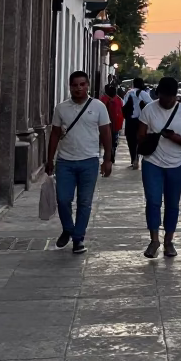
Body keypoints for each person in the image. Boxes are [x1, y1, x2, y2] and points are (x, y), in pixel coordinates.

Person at [45, 71, 113, 254]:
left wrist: (107, 159)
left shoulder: (98, 107)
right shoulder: (61, 108)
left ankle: (78, 238)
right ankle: (68, 227)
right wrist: (49, 158)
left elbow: (106, 133)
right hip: (65, 162)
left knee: (84, 202)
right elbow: (55, 135)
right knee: (63, 199)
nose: (78, 88)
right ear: (70, 86)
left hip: (89, 161)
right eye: (75, 85)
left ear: (88, 85)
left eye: (82, 84)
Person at [138, 76, 181, 258]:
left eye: (171, 97)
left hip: (176, 164)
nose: (168, 100)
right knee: (153, 202)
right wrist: (154, 136)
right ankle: (154, 240)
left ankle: (169, 241)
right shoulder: (149, 110)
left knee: (172, 204)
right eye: (164, 96)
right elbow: (139, 136)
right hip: (152, 163)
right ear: (159, 94)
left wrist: (173, 137)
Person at [123, 77, 152, 170]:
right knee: (140, 140)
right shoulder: (144, 94)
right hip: (141, 121)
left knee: (131, 141)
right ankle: (138, 158)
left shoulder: (128, 93)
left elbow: (123, 106)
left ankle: (133, 160)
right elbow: (151, 105)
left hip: (130, 121)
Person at [100, 83, 124, 162]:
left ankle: (110, 153)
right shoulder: (116, 99)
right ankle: (110, 152)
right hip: (108, 125)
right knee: (111, 140)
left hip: (113, 124)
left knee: (112, 140)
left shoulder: (106, 99)